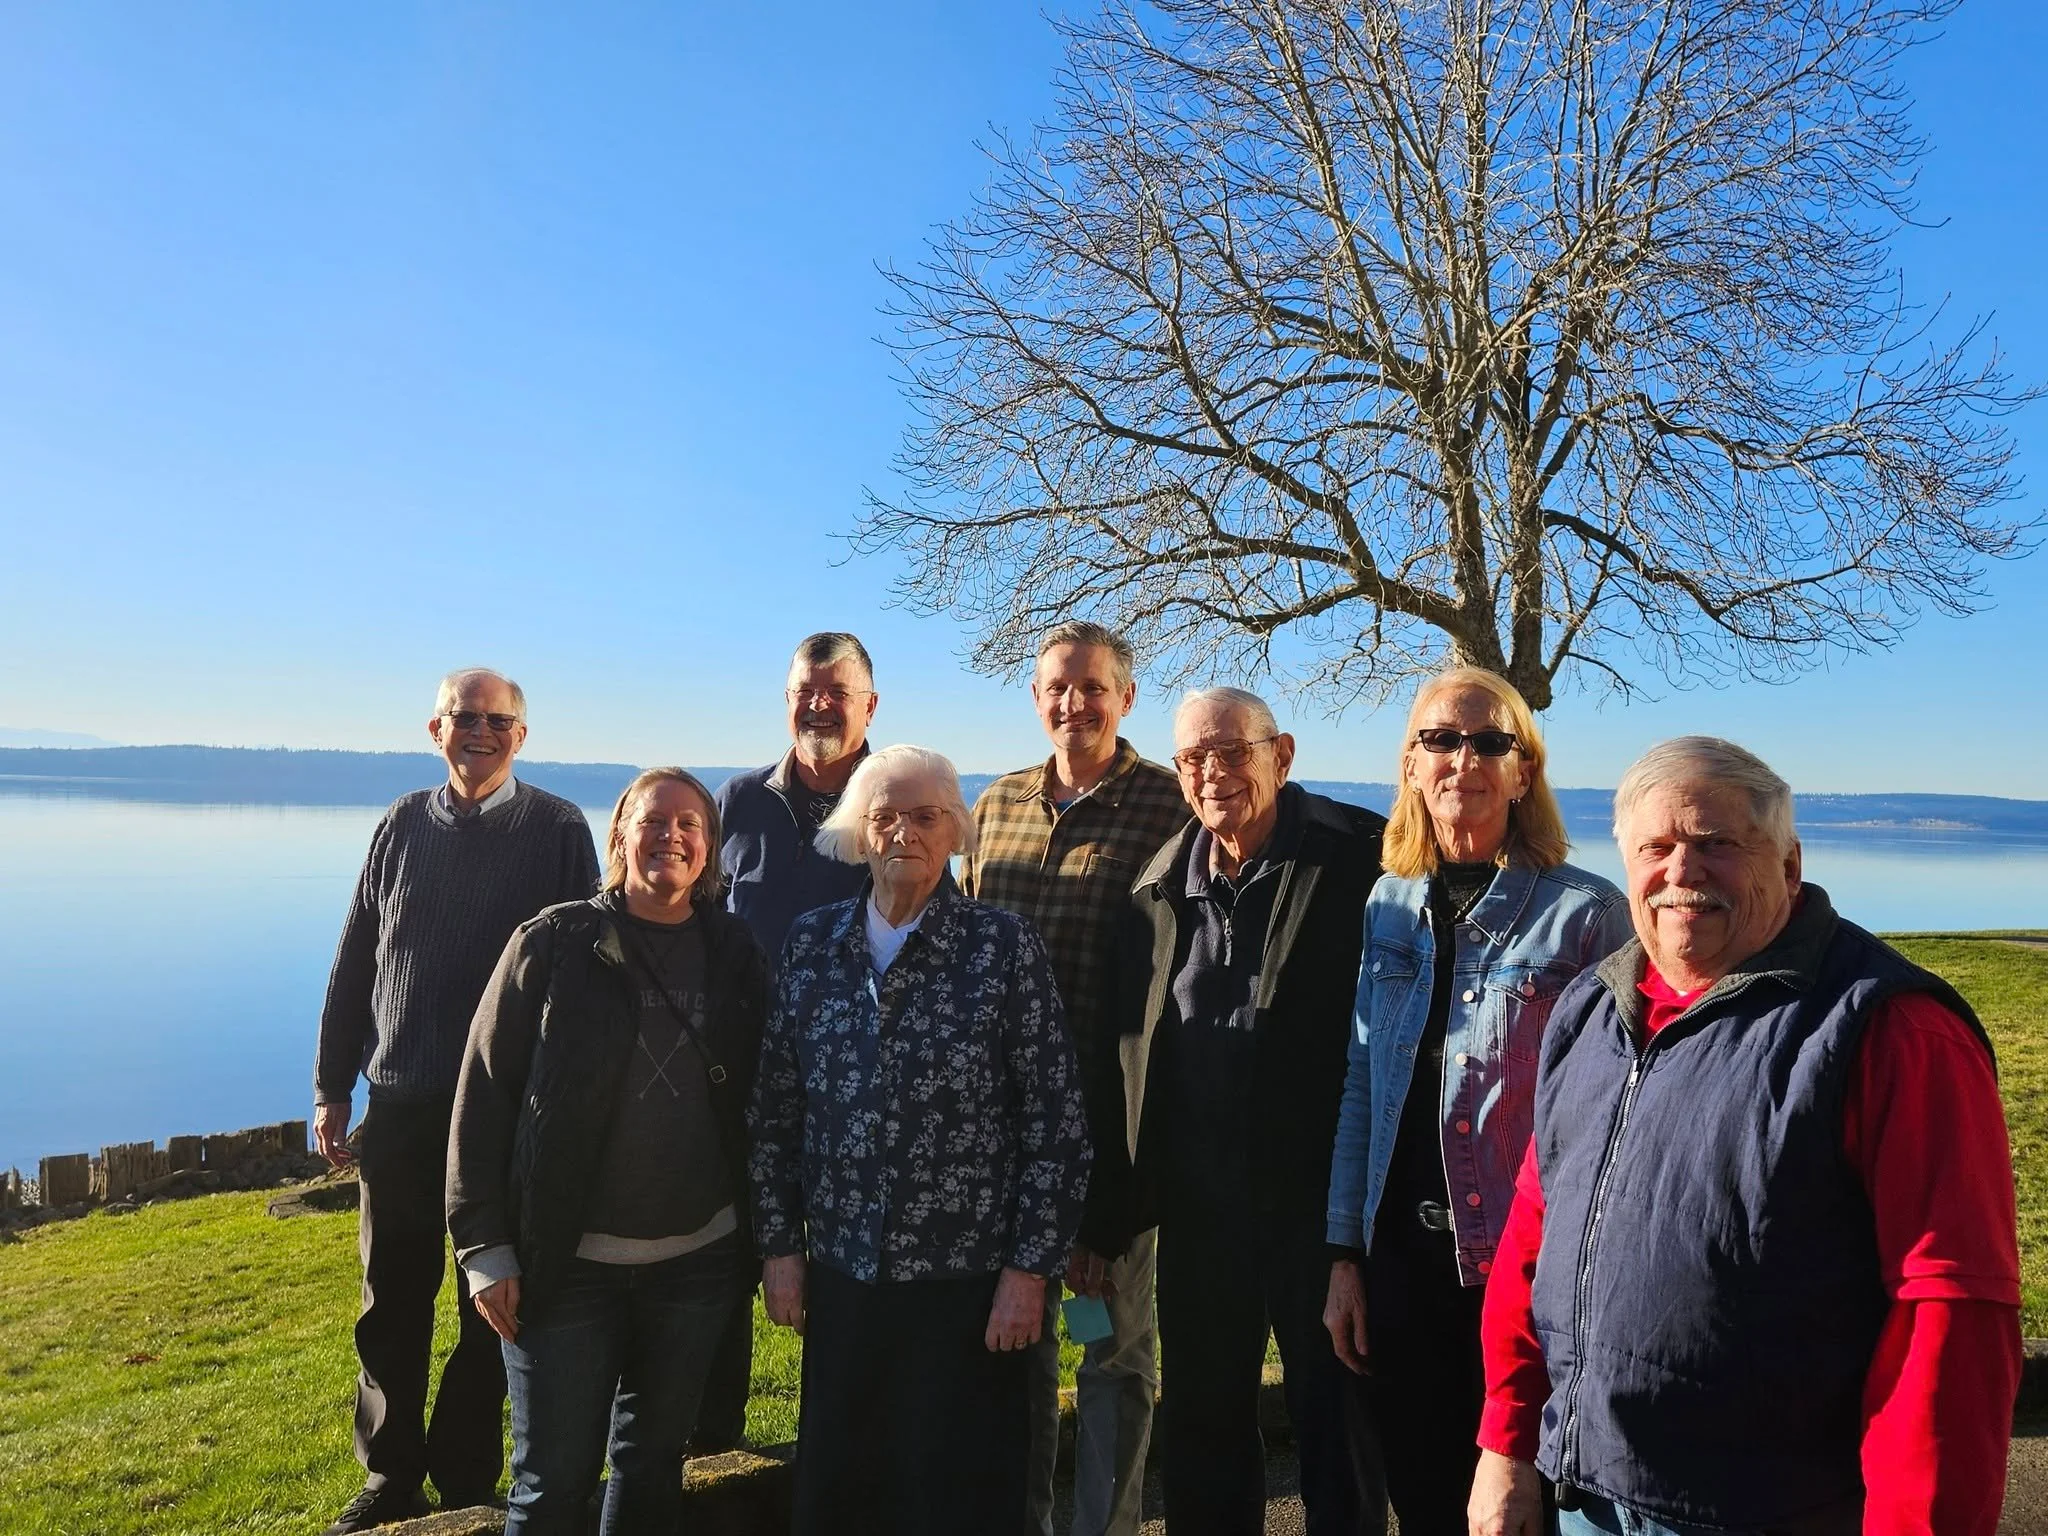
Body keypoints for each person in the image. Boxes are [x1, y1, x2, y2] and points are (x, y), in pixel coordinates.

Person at [1469, 737, 2023, 1536]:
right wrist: (1507, 1442)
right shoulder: (1592, 1008)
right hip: (1585, 1498)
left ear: (1789, 865)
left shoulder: (1890, 1031)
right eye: (1656, 847)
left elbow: (1949, 1316)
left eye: (1718, 843)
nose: (1682, 871)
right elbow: (1535, 1234)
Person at [748, 744, 1093, 1536]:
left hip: (969, 1285)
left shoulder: (1002, 946)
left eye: (926, 816)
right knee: (846, 1493)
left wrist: (1027, 1274)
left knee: (963, 1497)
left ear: (956, 832)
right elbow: (774, 1111)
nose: (904, 832)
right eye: (885, 816)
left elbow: (1057, 1122)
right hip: (845, 1276)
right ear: (857, 831)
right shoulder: (811, 944)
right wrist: (781, 1249)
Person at [1321, 667, 1629, 1536]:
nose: (1464, 760)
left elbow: (1619, 1114)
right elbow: (1362, 1081)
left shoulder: (1588, 917)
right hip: (1401, 1263)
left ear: (1524, 772)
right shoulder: (1388, 903)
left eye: (1491, 742)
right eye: (1441, 740)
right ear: (1411, 765)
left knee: (1521, 1509)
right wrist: (1345, 1254)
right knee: (1424, 1497)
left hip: (1525, 1274)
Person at [1088, 687, 1388, 1536]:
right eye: (1193, 757)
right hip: (1201, 1208)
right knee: (1205, 1426)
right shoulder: (1157, 885)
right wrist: (1109, 1212)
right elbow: (1127, 1054)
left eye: (1232, 751)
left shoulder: (1361, 859)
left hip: (1320, 1209)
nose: (1212, 772)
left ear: (1280, 754)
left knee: (1337, 1425)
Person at [312, 668, 599, 1534]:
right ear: (435, 728)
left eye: (498, 721)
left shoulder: (558, 829)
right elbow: (356, 955)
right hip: (401, 1100)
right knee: (391, 1299)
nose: (481, 732)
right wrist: (331, 1084)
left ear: (522, 735)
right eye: (464, 717)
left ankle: (468, 1473)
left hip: (506, 1111)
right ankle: (390, 1474)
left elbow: (582, 970)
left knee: (493, 1302)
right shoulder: (401, 823)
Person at [446, 768, 768, 1535]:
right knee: (551, 1484)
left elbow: (767, 1093)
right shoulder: (553, 942)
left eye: (690, 824)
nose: (671, 837)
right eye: (653, 821)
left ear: (709, 848)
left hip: (697, 1263)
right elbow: (482, 1095)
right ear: (620, 835)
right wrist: (484, 1248)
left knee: (652, 1467)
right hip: (565, 1267)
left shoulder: (732, 949)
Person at [960, 620, 1190, 1536]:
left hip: (1109, 1136)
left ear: (1125, 698)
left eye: (1093, 687)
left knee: (1110, 1352)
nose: (1074, 703)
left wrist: (1112, 1201)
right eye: (1058, 686)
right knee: (1009, 1345)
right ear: (1035, 697)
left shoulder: (1169, 806)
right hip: (998, 1143)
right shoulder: (996, 806)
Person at [701, 631, 878, 1449]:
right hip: (736, 1085)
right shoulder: (738, 802)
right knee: (722, 1278)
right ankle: (711, 1454)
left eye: (836, 692)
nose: (819, 706)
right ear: (786, 700)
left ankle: (843, 1462)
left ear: (869, 705)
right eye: (806, 690)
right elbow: (696, 920)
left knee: (847, 1286)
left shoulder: (893, 797)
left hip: (856, 1093)